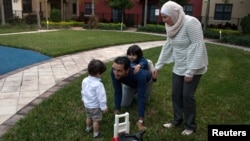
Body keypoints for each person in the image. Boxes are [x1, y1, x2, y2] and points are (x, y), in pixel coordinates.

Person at [151, 1, 208, 136]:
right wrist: (158, 65)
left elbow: (198, 46)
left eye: (165, 17)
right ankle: (177, 120)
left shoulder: (191, 23)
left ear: (174, 14)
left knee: (187, 95)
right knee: (176, 94)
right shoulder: (171, 26)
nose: (163, 20)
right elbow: (168, 45)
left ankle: (190, 126)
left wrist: (191, 71)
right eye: (162, 16)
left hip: (194, 66)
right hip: (179, 66)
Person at [111, 56, 153, 130]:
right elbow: (117, 91)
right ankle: (133, 91)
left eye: (119, 71)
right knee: (124, 104)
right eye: (114, 69)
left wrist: (140, 121)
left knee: (143, 100)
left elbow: (141, 97)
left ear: (127, 70)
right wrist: (117, 110)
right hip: (130, 84)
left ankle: (148, 63)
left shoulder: (140, 75)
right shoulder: (114, 72)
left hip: (145, 82)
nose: (115, 73)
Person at [81, 59, 108, 138]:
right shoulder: (98, 84)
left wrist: (83, 99)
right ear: (98, 73)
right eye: (102, 73)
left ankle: (88, 128)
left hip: (87, 105)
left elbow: (83, 91)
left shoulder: (84, 80)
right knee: (95, 120)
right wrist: (104, 107)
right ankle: (96, 133)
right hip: (95, 107)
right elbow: (101, 97)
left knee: (88, 117)